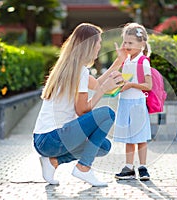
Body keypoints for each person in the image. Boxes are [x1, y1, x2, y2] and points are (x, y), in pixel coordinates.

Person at [33, 23, 127, 187]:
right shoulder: (80, 71)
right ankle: (84, 168)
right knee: (107, 114)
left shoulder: (69, 66)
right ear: (90, 45)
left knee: (103, 146)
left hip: (43, 140)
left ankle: (53, 162)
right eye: (98, 42)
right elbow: (82, 110)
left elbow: (97, 84)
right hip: (52, 138)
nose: (100, 46)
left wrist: (119, 62)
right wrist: (103, 90)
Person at [113, 23, 152, 181]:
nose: (127, 46)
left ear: (142, 44)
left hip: (137, 103)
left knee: (140, 138)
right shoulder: (126, 60)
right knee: (129, 138)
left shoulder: (144, 61)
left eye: (130, 43)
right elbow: (123, 78)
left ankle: (143, 167)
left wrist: (130, 85)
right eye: (125, 42)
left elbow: (148, 86)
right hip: (125, 103)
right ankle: (129, 167)